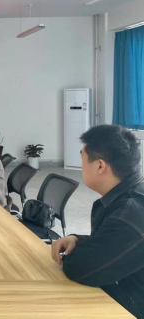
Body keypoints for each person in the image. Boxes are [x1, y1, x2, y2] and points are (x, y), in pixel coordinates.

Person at [51, 125, 144, 318]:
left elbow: (82, 268)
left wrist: (78, 252)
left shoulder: (127, 215)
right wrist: (78, 240)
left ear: (100, 166)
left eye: (82, 158)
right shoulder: (132, 196)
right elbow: (114, 243)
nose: (81, 166)